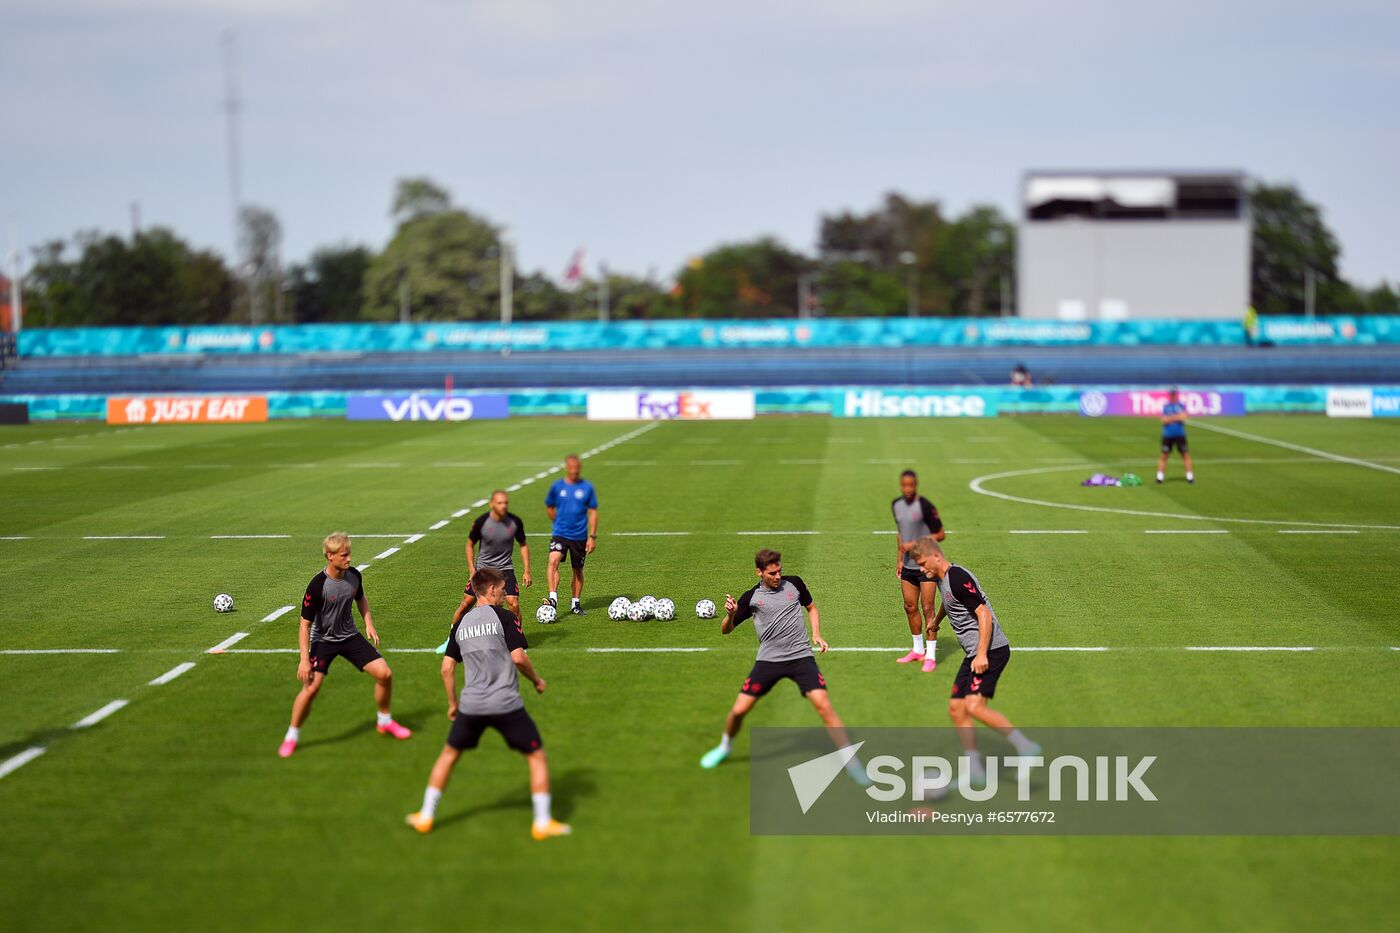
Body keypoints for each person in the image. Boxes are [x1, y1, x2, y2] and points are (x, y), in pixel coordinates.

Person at [406, 567, 570, 839]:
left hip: (472, 705)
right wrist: (537, 680)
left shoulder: (461, 623)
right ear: (491, 590)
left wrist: (452, 703)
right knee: (536, 757)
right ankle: (542, 822)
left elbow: (447, 668)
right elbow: (518, 658)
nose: (505, 592)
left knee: (449, 756)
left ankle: (426, 814)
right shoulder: (505, 617)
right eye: (503, 588)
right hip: (505, 703)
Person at [699, 549, 865, 784]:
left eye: (779, 571)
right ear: (759, 572)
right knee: (739, 710)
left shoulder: (794, 584)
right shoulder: (751, 598)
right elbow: (726, 630)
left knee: (824, 706)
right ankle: (725, 747)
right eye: (772, 573)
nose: (778, 576)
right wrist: (730, 615)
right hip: (769, 661)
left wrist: (816, 634)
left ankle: (852, 762)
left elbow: (812, 608)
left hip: (800, 657)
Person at [911, 537, 1038, 786]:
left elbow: (984, 614)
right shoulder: (943, 579)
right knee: (956, 709)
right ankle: (975, 770)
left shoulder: (957, 577)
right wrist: (937, 621)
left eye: (924, 564)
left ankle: (1027, 749)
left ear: (936, 555)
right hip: (974, 653)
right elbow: (951, 603)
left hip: (991, 651)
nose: (923, 570)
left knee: (974, 707)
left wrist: (981, 654)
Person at [279, 533, 411, 758]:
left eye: (349, 553)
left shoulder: (354, 576)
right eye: (344, 555)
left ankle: (384, 721)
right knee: (311, 688)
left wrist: (368, 623)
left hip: (349, 637)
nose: (349, 559)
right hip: (323, 641)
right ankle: (291, 735)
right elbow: (304, 625)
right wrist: (304, 660)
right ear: (330, 556)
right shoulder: (317, 585)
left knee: (385, 674)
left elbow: (360, 597)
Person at [435, 490, 532, 653]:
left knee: (513, 605)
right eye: (500, 503)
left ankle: (516, 643)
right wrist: (472, 569)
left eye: (506, 503)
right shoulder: (481, 522)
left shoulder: (515, 522)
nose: (503, 506)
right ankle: (451, 640)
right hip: (483, 570)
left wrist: (527, 570)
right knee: (466, 604)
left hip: (504, 569)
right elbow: (469, 544)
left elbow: (523, 544)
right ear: (492, 504)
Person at [891, 470, 945, 672]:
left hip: (926, 566)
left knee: (928, 607)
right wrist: (899, 559)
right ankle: (917, 650)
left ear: (916, 484)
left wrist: (914, 544)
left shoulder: (925, 506)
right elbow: (900, 533)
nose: (907, 489)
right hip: (907, 565)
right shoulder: (896, 505)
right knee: (909, 606)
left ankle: (930, 656)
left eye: (910, 485)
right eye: (904, 485)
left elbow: (940, 534)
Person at [544, 454, 598, 616]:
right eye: (572, 468)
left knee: (577, 570)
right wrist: (557, 522)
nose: (574, 471)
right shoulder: (557, 487)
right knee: (553, 560)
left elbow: (593, 512)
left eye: (577, 468)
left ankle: (576, 604)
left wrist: (592, 536)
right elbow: (549, 506)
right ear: (566, 468)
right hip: (560, 533)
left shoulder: (587, 488)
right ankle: (553, 598)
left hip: (580, 536)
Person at [1156, 388, 1195, 484]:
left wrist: (1170, 418)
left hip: (1180, 435)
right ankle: (1160, 477)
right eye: (1171, 394)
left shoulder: (1180, 405)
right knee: (1164, 456)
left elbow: (1184, 417)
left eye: (1174, 394)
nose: (1173, 396)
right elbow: (1163, 420)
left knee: (1185, 455)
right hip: (1168, 435)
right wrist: (1176, 417)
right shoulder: (1166, 406)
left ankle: (1190, 476)